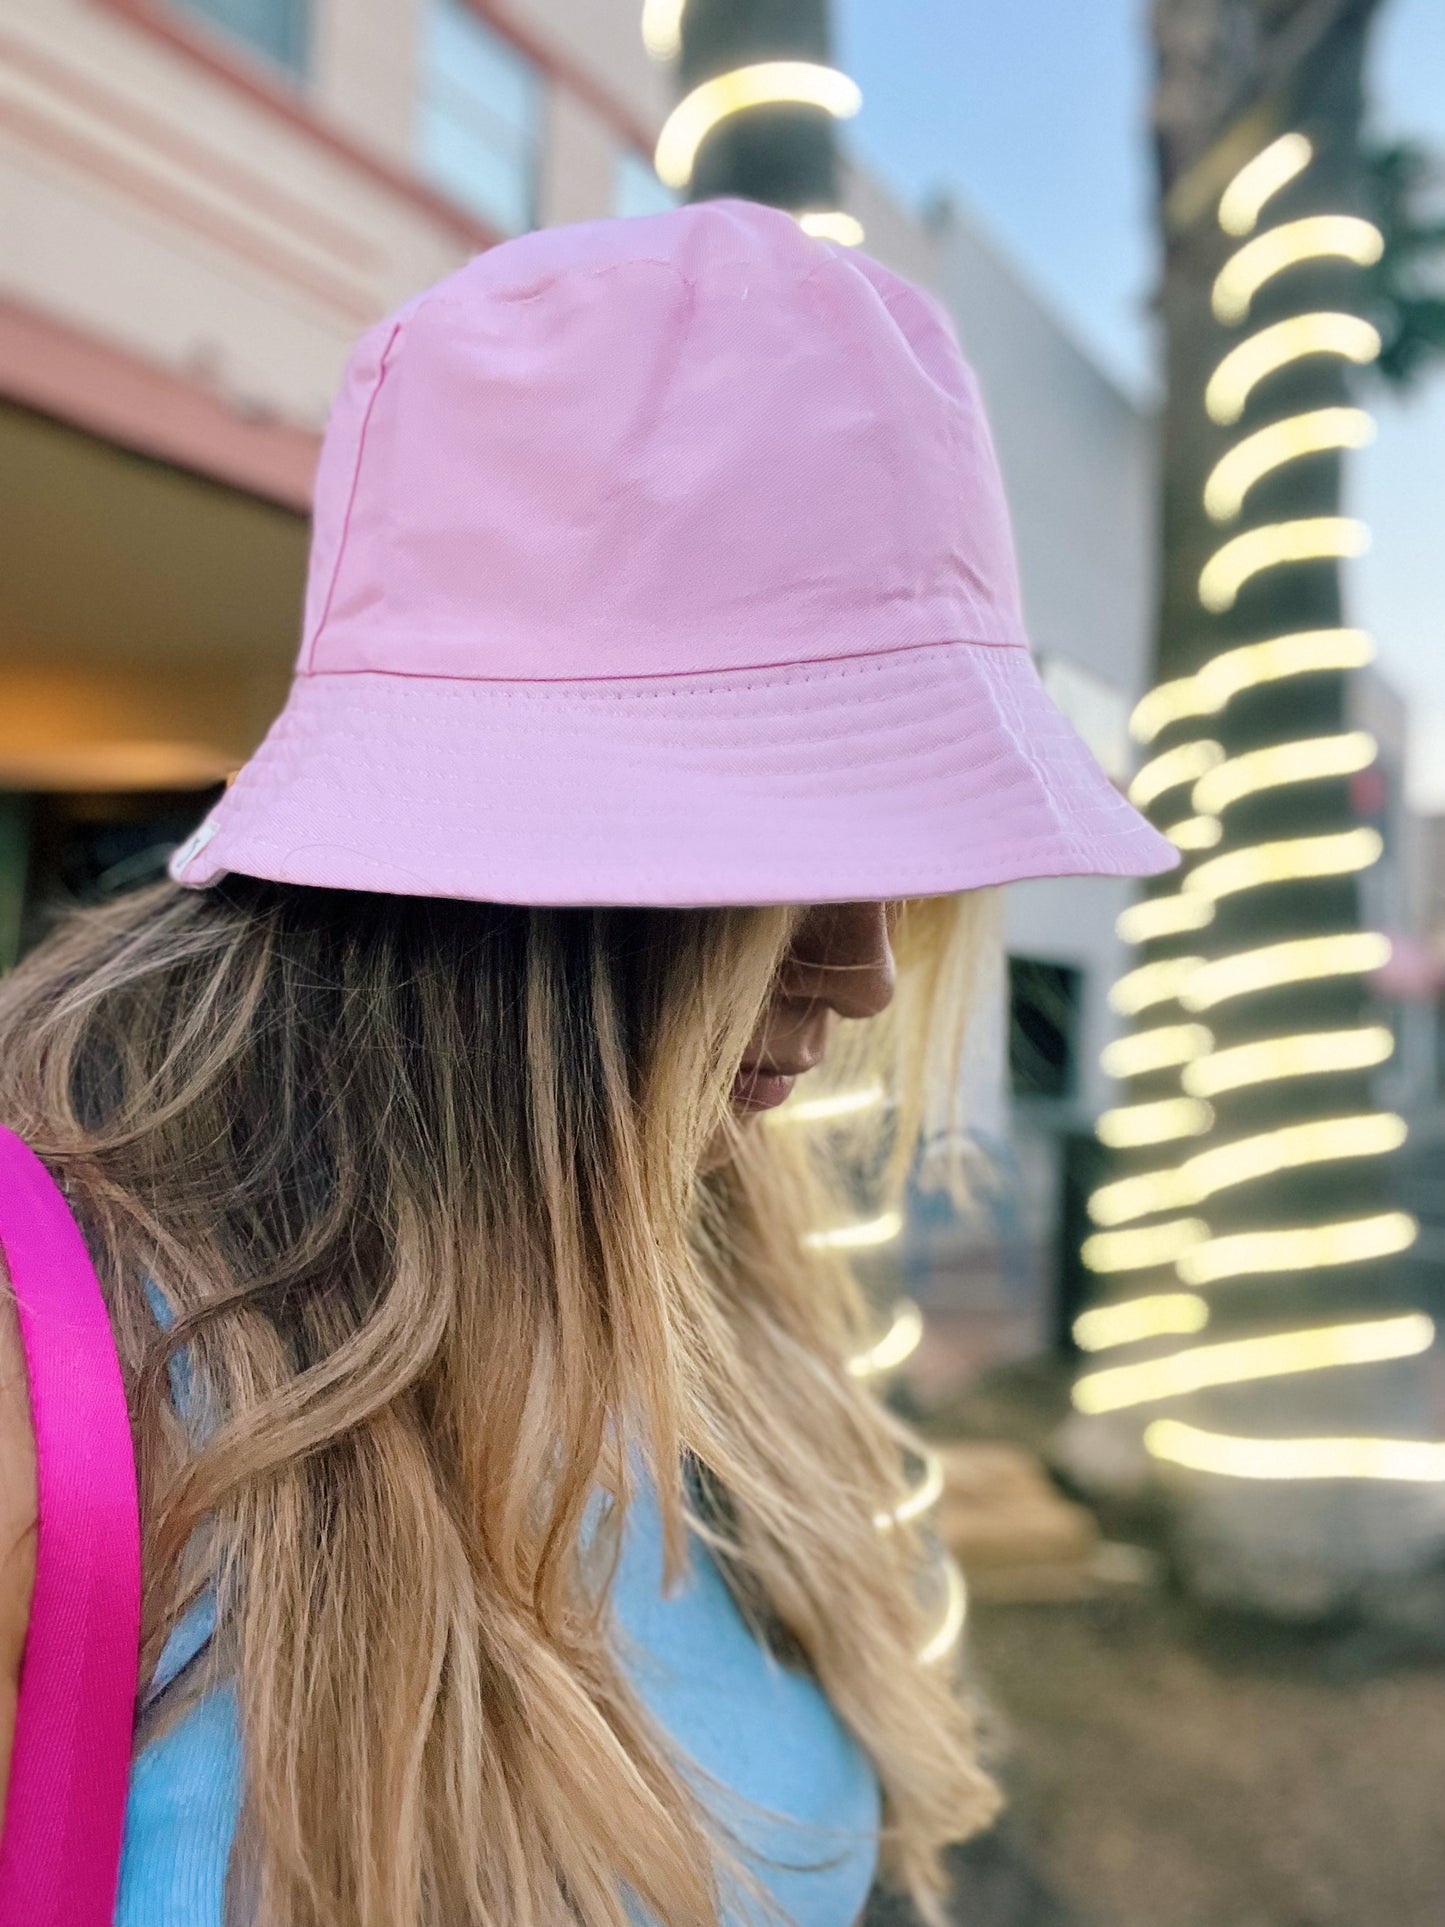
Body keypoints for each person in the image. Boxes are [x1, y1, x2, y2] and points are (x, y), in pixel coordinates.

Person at [0, 199, 1172, 1927]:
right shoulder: (45, 1365)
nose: (857, 972)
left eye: (899, 843)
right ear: (504, 886)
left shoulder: (721, 1256)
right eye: (774, 854)